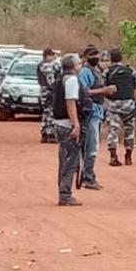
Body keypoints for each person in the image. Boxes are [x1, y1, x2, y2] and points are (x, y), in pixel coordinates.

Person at [78, 46, 116, 190]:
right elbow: (84, 91)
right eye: (93, 55)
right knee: (91, 146)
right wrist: (103, 90)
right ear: (86, 58)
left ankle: (87, 175)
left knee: (92, 145)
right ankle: (88, 177)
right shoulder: (85, 72)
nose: (96, 57)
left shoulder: (97, 71)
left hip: (98, 110)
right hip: (90, 111)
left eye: (97, 54)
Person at [54, 53, 84, 206]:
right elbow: (70, 103)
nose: (81, 65)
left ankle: (63, 191)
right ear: (73, 66)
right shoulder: (71, 80)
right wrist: (76, 125)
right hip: (67, 125)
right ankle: (65, 194)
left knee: (64, 159)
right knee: (70, 161)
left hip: (59, 123)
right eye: (79, 63)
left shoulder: (60, 79)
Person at [105, 48, 136, 166]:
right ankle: (128, 157)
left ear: (111, 59)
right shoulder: (130, 70)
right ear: (121, 58)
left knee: (113, 130)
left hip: (114, 104)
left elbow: (104, 87)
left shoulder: (107, 71)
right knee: (129, 130)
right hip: (128, 104)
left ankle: (113, 156)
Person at [37, 48, 62, 143]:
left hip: (44, 91)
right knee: (51, 112)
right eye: (52, 55)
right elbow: (52, 79)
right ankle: (50, 134)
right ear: (47, 55)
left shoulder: (40, 65)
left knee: (46, 113)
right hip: (50, 91)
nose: (53, 57)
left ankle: (44, 133)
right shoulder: (49, 65)